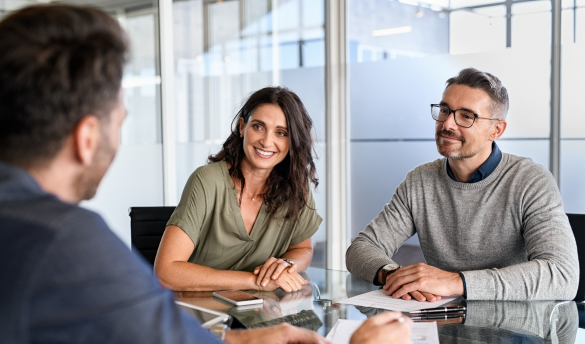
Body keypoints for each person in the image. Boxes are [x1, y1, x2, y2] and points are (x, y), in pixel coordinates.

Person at [0, 4, 414, 344]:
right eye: (120, 119)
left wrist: (250, 328)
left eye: (282, 133)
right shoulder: (68, 244)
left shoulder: (27, 228)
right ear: (87, 137)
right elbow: (162, 296)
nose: (267, 140)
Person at [346, 67, 579, 301]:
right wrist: (394, 275)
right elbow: (361, 248)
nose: (447, 124)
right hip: (441, 322)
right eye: (445, 110)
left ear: (496, 130)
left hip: (515, 329)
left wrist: (456, 281)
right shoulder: (419, 181)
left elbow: (561, 275)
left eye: (467, 116)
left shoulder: (530, 181)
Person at [154, 87, 322, 293]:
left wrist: (286, 265)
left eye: (281, 133)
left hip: (258, 315)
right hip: (197, 313)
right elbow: (165, 272)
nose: (267, 141)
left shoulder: (296, 186)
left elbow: (302, 248)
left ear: (293, 140)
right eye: (258, 127)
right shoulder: (207, 181)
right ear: (242, 127)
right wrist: (255, 281)